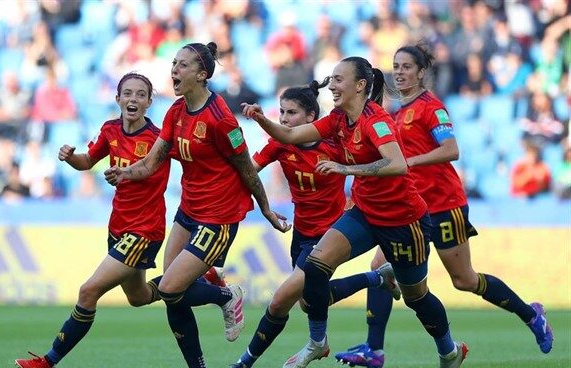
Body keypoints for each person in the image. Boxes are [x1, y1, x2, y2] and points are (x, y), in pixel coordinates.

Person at [335, 44, 554, 368]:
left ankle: (530, 314)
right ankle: (374, 348)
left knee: (464, 280)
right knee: (380, 269)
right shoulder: (391, 113)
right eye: (396, 66)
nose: (399, 71)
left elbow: (451, 150)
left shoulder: (431, 107)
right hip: (409, 212)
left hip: (443, 204)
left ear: (422, 72)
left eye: (407, 66)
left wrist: (408, 161)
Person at [242, 56, 467, 368]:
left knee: (417, 297)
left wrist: (345, 167)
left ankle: (449, 351)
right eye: (331, 79)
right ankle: (317, 341)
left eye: (338, 79)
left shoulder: (376, 121)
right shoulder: (336, 119)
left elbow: (398, 164)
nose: (331, 85)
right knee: (317, 265)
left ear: (360, 85)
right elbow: (292, 135)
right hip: (364, 213)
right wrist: (260, 119)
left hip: (403, 220)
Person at [104, 42, 290, 368]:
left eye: (183, 65)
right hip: (188, 210)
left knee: (172, 287)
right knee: (172, 297)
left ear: (202, 75)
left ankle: (226, 295)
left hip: (219, 216)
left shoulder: (221, 120)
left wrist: (265, 209)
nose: (174, 70)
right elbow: (151, 162)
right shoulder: (176, 111)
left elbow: (247, 167)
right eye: (174, 63)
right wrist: (126, 173)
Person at [230, 82, 401, 368]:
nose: (284, 119)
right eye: (282, 112)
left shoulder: (334, 144)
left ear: (311, 117)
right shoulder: (279, 145)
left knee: (279, 300)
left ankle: (244, 362)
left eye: (291, 113)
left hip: (330, 234)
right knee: (308, 303)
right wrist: (264, 206)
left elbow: (370, 163)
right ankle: (378, 278)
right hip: (302, 233)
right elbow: (248, 171)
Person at [14, 72, 171, 368]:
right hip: (119, 227)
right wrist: (70, 157)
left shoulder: (157, 139)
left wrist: (126, 173)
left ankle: (48, 361)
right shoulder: (110, 129)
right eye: (127, 93)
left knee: (88, 291)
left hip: (145, 229)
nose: (133, 99)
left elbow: (150, 170)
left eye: (140, 94)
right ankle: (202, 282)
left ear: (150, 101)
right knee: (138, 297)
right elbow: (88, 161)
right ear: (117, 99)